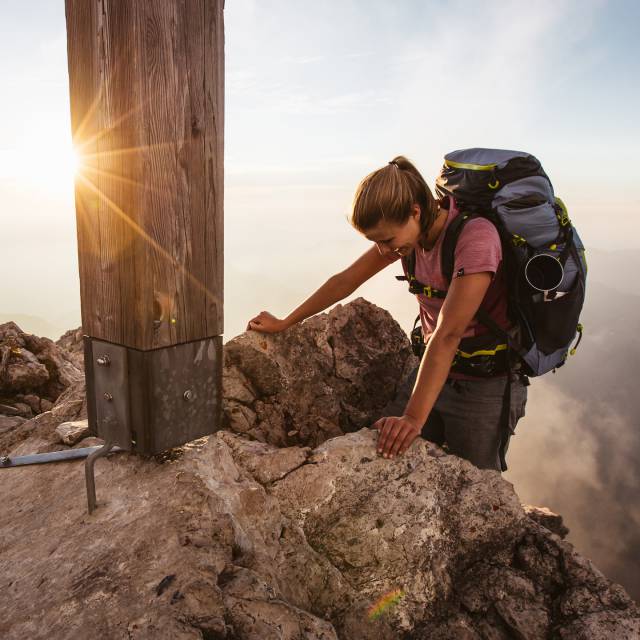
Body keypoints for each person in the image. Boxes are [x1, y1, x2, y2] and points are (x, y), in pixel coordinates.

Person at [247, 156, 527, 472]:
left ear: (415, 212)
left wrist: (412, 418)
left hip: (485, 384)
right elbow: (346, 280)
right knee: (384, 451)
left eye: (387, 239)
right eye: (375, 241)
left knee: (477, 483)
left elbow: (449, 333)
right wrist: (286, 321)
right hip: (433, 369)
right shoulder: (409, 237)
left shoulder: (475, 238)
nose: (383, 250)